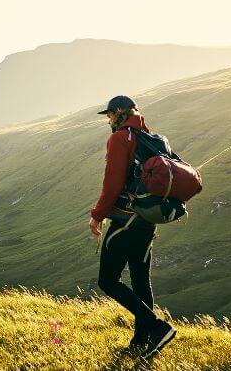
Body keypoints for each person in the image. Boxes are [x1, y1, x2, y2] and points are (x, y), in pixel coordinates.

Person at [89, 95, 177, 358]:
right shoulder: (153, 138)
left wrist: (97, 215)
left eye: (109, 115)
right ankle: (140, 342)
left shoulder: (120, 139)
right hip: (148, 219)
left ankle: (157, 328)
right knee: (140, 279)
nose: (108, 120)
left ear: (118, 113)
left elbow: (113, 183)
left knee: (108, 280)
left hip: (125, 220)